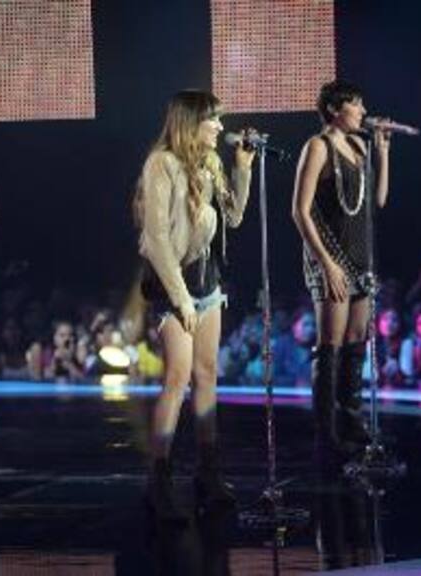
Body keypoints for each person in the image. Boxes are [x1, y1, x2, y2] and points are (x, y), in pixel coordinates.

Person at [134, 89, 254, 520]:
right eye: (213, 119)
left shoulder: (211, 162)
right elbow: (156, 239)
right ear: (191, 122)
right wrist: (181, 299)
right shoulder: (161, 163)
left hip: (208, 282)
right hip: (173, 286)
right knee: (177, 378)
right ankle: (159, 480)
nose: (220, 127)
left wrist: (243, 170)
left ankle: (208, 473)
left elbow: (234, 217)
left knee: (207, 375)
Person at [291, 80, 391, 462]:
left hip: (361, 258)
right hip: (331, 257)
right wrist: (326, 262)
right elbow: (299, 210)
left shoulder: (360, 147)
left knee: (355, 342)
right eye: (356, 104)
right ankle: (326, 433)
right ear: (335, 109)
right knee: (329, 345)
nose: (363, 112)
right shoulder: (318, 146)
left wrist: (383, 153)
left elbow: (377, 201)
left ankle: (352, 421)